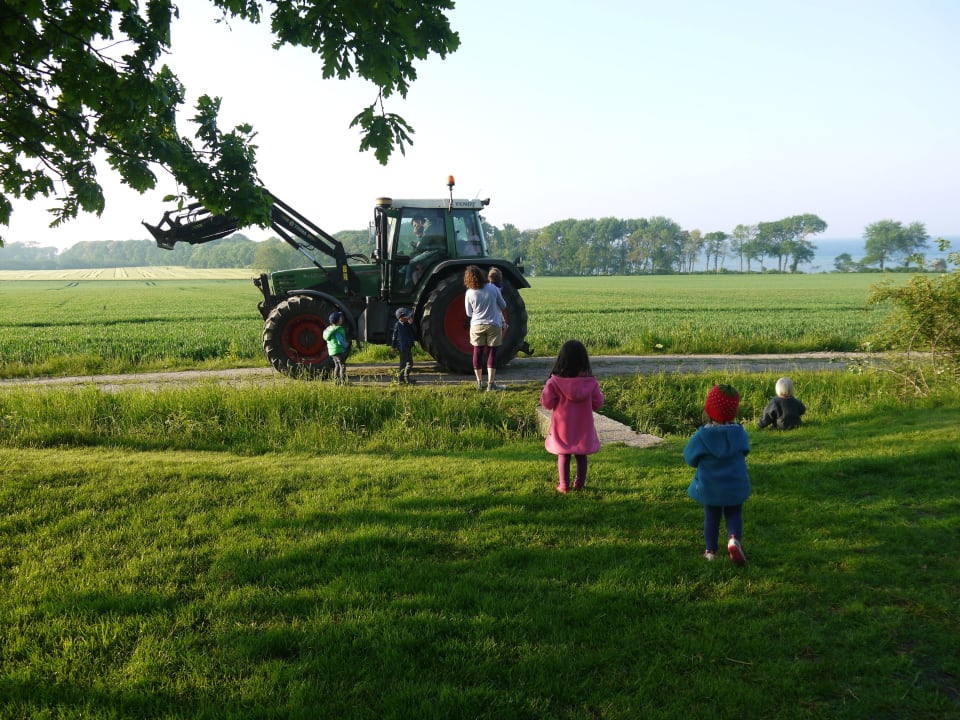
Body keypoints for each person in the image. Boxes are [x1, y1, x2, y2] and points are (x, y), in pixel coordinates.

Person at [684, 384, 751, 565]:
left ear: (709, 409)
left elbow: (689, 458)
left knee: (711, 517)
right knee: (734, 513)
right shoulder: (740, 433)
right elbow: (745, 450)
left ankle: (711, 551)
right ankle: (733, 539)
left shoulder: (701, 436)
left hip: (710, 487)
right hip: (735, 485)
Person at [540, 340, 604, 494]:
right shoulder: (590, 382)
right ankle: (580, 484)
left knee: (563, 454)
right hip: (583, 427)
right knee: (581, 456)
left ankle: (564, 486)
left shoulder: (554, 382)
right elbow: (598, 403)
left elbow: (547, 403)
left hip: (562, 428)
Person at [463, 265, 506, 391]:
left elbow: (469, 313)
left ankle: (479, 382)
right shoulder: (493, 288)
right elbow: (503, 305)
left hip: (476, 325)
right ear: (482, 275)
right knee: (492, 352)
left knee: (477, 352)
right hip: (493, 324)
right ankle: (491, 384)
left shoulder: (469, 292)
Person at [323, 311, 350, 386]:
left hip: (332, 352)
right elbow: (340, 341)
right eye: (340, 318)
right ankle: (343, 382)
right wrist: (346, 345)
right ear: (338, 320)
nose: (342, 318)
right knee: (342, 366)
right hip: (339, 351)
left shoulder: (329, 329)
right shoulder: (337, 330)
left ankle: (336, 382)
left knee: (337, 366)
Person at [391, 307, 417, 384]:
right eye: (407, 317)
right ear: (401, 318)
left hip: (408, 345)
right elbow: (394, 337)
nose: (409, 318)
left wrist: (412, 324)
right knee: (403, 364)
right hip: (402, 347)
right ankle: (400, 379)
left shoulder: (408, 324)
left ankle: (406, 378)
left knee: (410, 363)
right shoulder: (397, 325)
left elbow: (415, 331)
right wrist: (393, 347)